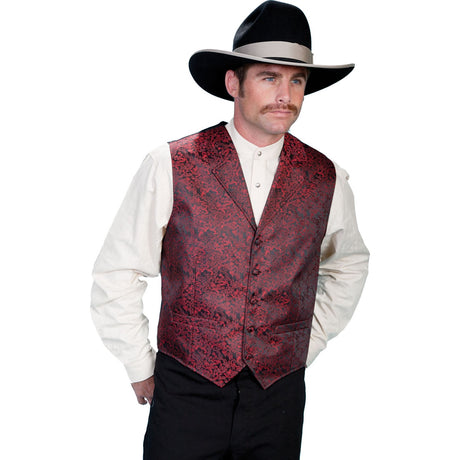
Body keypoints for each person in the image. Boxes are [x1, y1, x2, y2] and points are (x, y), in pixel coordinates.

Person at [90, 1, 369, 459]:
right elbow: (118, 270)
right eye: (269, 77)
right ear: (233, 83)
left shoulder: (327, 177)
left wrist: (304, 344)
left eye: (297, 80)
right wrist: (139, 364)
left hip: (278, 399)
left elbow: (349, 265)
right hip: (186, 390)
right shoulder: (171, 164)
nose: (285, 94)